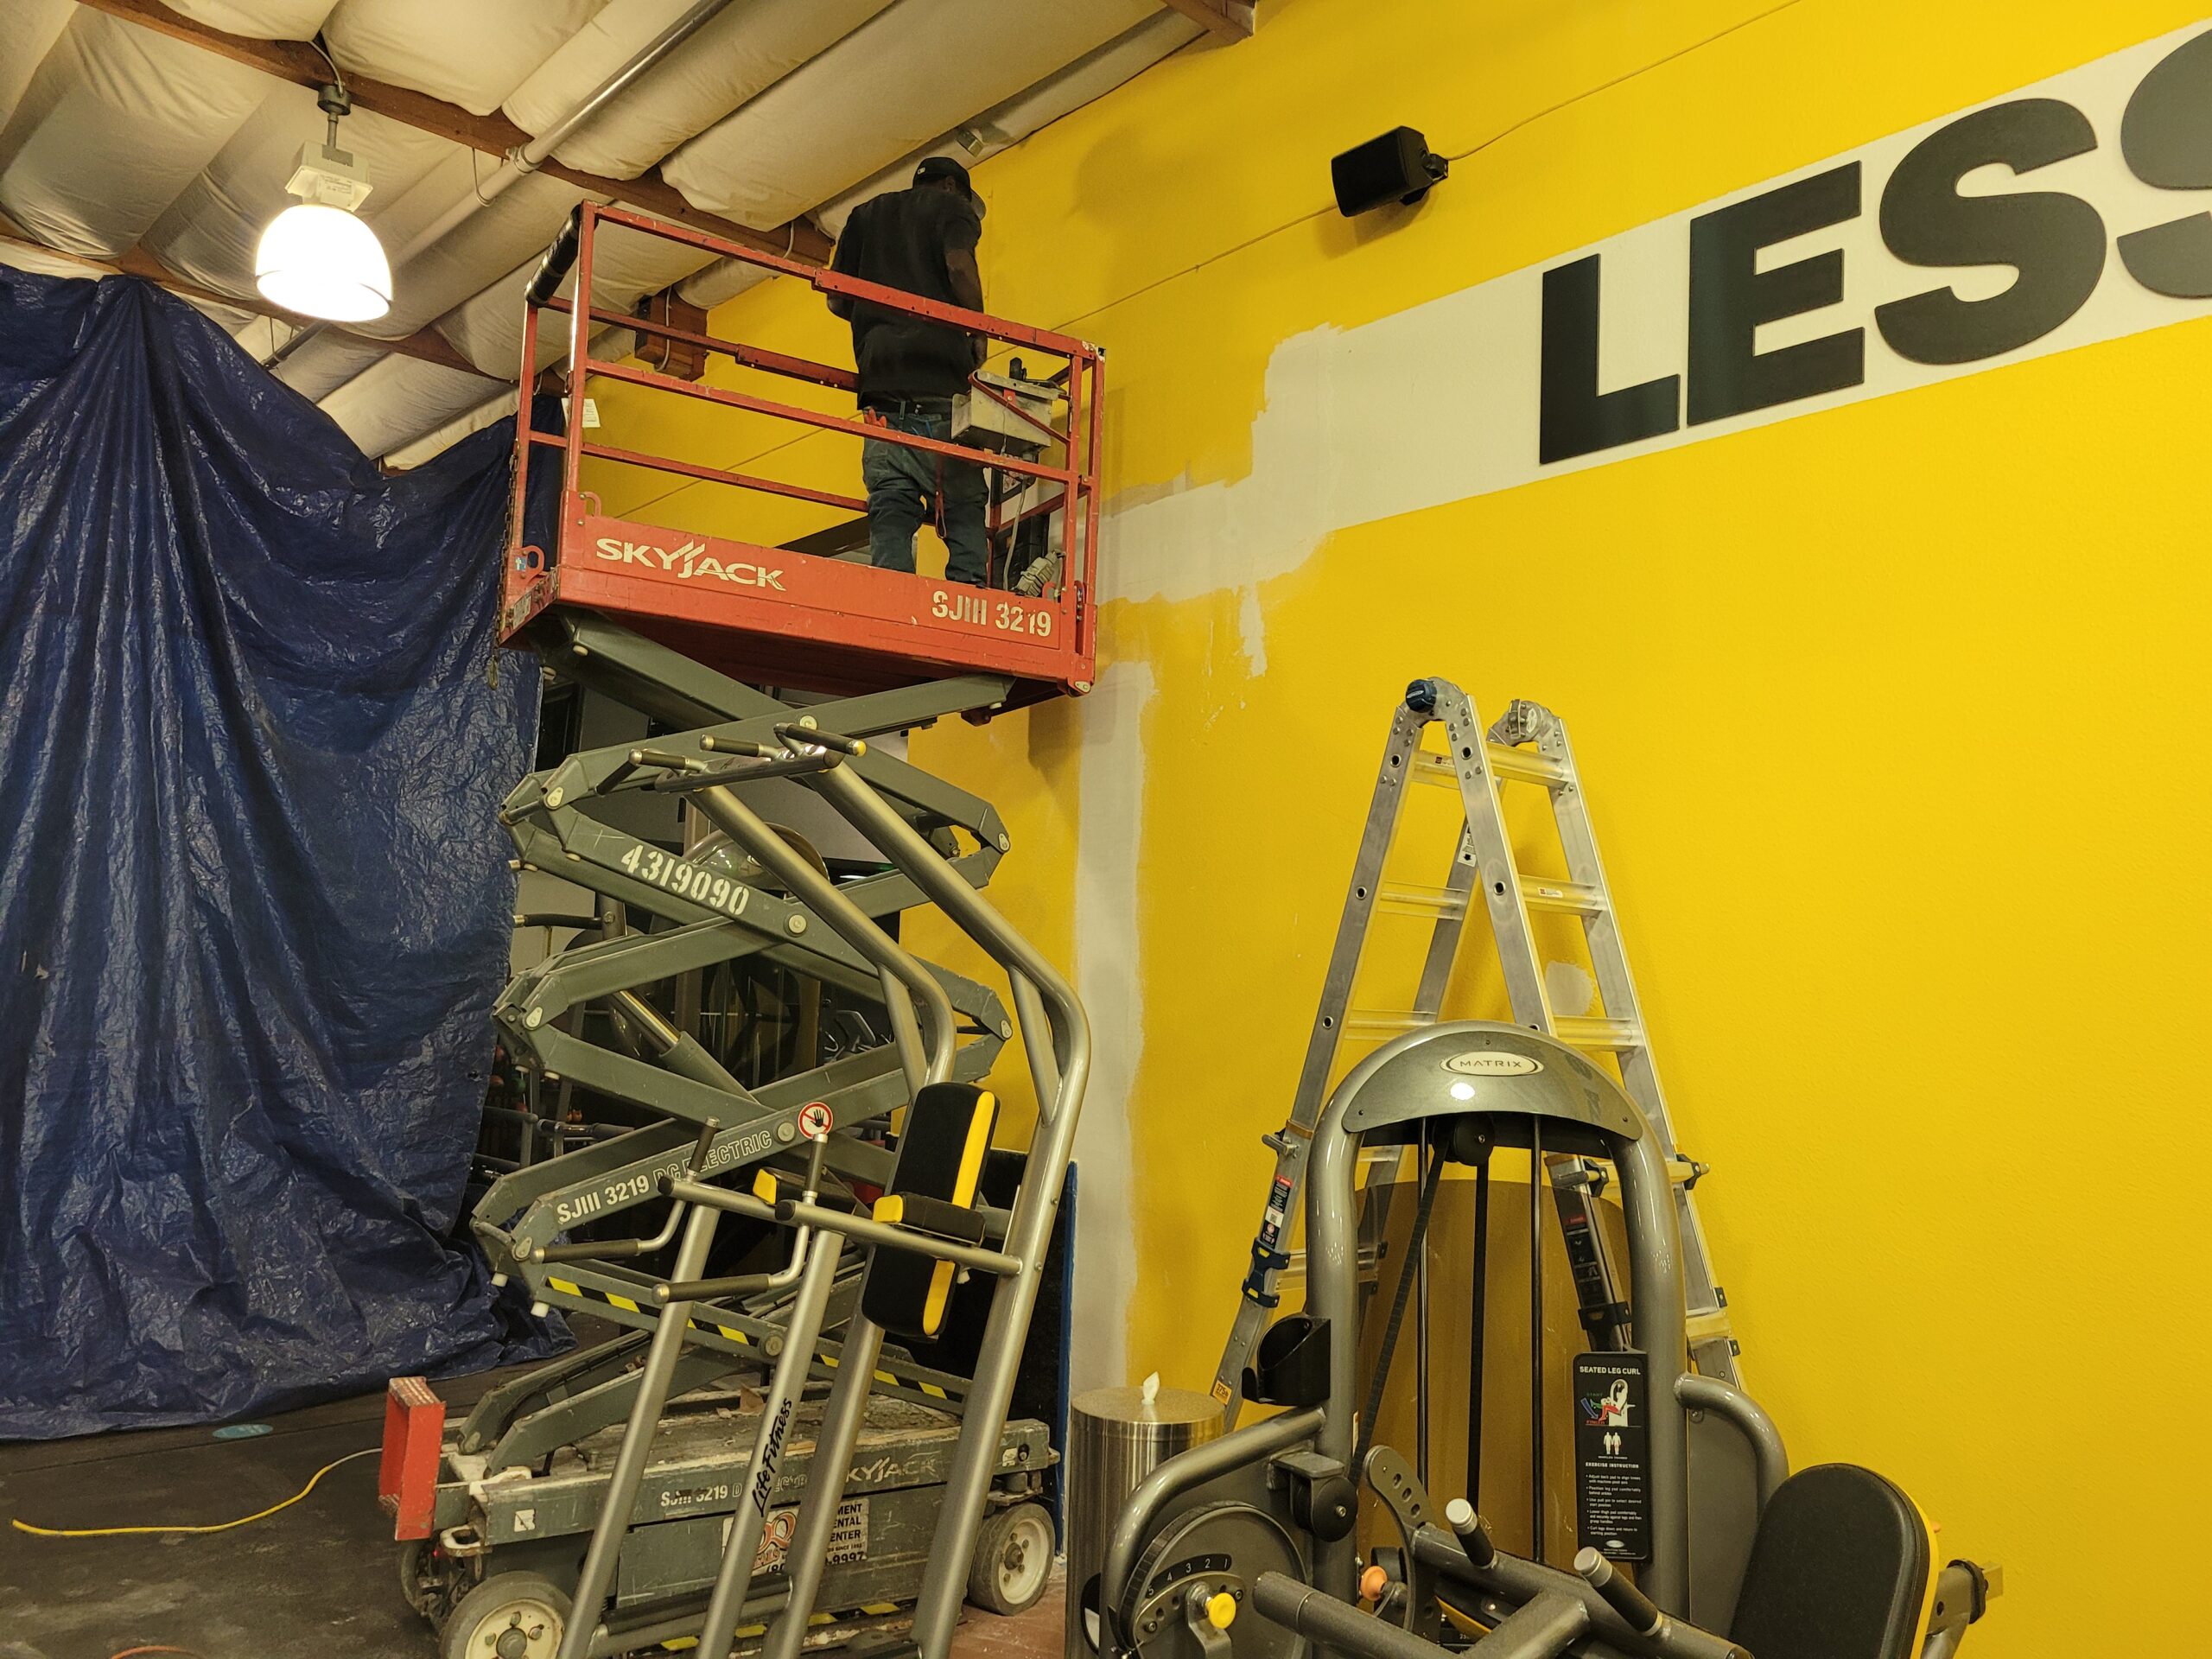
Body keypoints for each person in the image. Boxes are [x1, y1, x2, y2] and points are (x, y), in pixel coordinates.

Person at [828, 156, 991, 585]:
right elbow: (959, 265)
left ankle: (891, 595)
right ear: (952, 187)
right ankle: (968, 595)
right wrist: (978, 331)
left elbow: (836, 299)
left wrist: (882, 324)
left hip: (881, 397)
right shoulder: (949, 208)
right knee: (962, 503)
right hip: (938, 387)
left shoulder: (864, 216)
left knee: (891, 503)